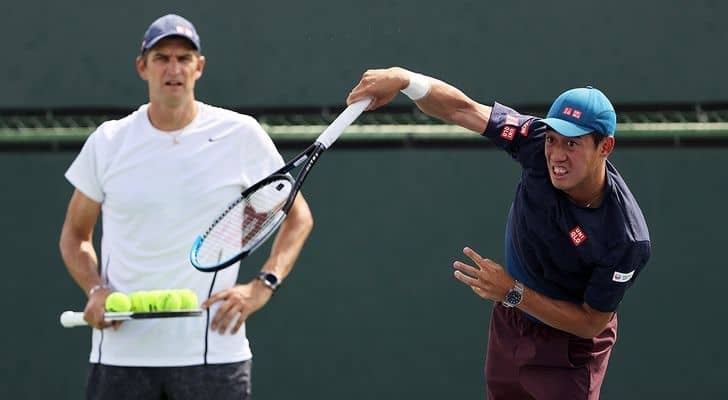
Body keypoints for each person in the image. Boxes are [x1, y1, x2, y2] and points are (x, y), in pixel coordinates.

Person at [347, 68, 650, 399]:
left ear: (605, 147)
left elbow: (591, 322)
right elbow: (462, 109)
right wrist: (405, 79)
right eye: (552, 139)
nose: (557, 154)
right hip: (510, 323)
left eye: (572, 144)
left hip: (569, 348)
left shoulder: (625, 239)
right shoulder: (534, 142)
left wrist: (513, 292)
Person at [59, 14, 313, 400]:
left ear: (199, 67)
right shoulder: (108, 141)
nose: (173, 69)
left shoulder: (240, 135)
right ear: (142, 67)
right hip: (120, 357)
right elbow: (75, 235)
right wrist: (95, 289)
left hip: (213, 357)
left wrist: (263, 285)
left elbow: (297, 217)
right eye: (162, 58)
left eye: (184, 58)